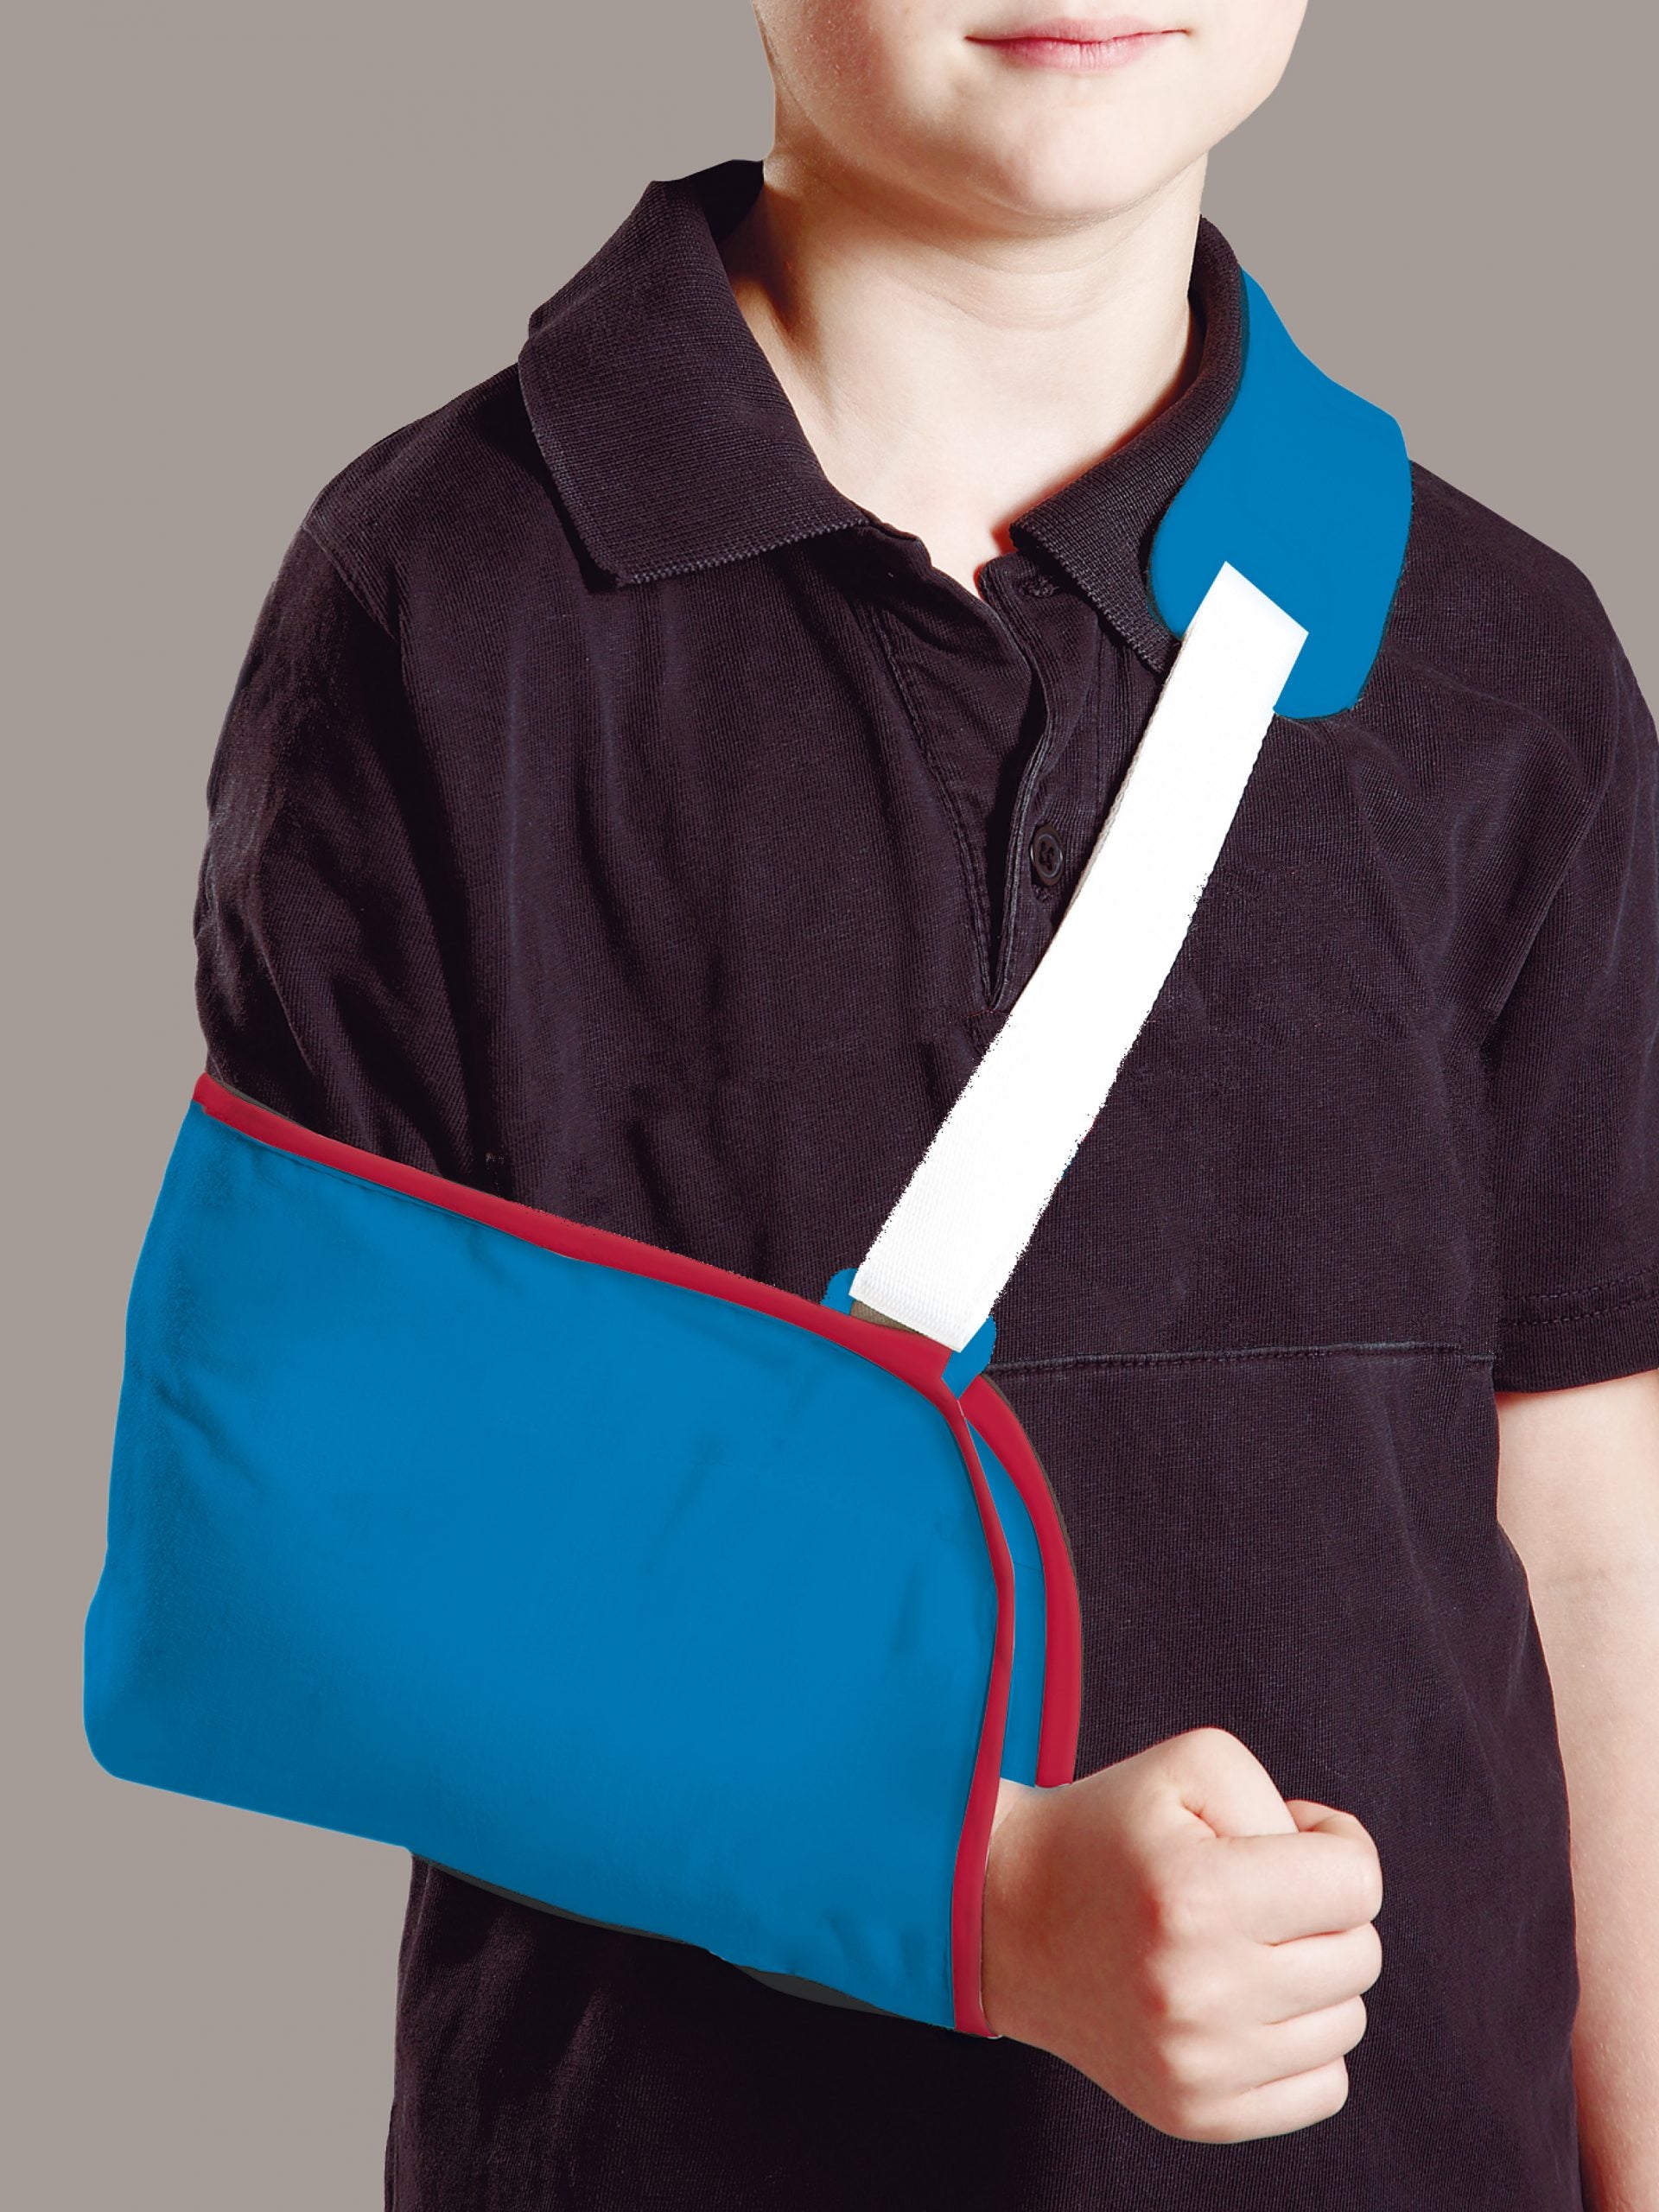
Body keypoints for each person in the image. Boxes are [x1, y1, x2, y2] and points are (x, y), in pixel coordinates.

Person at [168, 3, 1659, 2205]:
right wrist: (982, 1897)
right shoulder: (443, 602)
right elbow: (300, 1551)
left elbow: (1593, 1533)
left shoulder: (1501, 660)